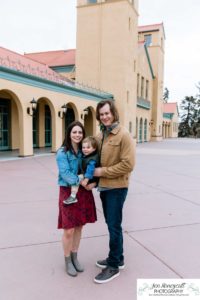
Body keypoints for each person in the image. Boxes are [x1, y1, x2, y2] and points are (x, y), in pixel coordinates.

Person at [93, 100, 135, 284]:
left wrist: (102, 172)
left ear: (114, 113)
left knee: (113, 226)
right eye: (101, 114)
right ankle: (119, 257)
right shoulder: (101, 134)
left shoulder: (124, 135)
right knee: (112, 223)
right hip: (104, 187)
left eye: (107, 113)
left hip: (117, 187)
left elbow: (128, 164)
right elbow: (90, 153)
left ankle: (113, 266)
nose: (104, 117)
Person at [56, 121, 97, 277]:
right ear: (69, 133)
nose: (77, 135)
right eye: (74, 132)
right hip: (68, 191)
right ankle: (67, 260)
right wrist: (83, 180)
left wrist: (91, 182)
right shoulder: (62, 152)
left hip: (83, 192)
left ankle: (75, 256)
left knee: (79, 226)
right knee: (69, 229)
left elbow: (92, 166)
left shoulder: (84, 150)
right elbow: (66, 174)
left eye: (80, 132)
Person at [63, 136, 99, 205]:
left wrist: (86, 179)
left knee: (78, 179)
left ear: (94, 149)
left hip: (89, 178)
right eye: (83, 147)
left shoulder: (92, 159)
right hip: (85, 175)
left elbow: (90, 170)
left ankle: (73, 196)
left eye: (88, 147)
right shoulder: (87, 155)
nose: (85, 149)